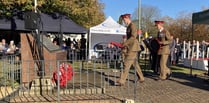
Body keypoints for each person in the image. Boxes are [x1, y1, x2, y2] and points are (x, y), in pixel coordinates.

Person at [115, 13, 144, 86]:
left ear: (127, 18)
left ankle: (121, 81)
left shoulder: (132, 26)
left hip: (133, 48)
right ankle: (141, 78)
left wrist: (124, 44)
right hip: (131, 47)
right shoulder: (128, 27)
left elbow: (133, 37)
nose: (123, 21)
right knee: (135, 64)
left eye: (124, 20)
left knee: (126, 64)